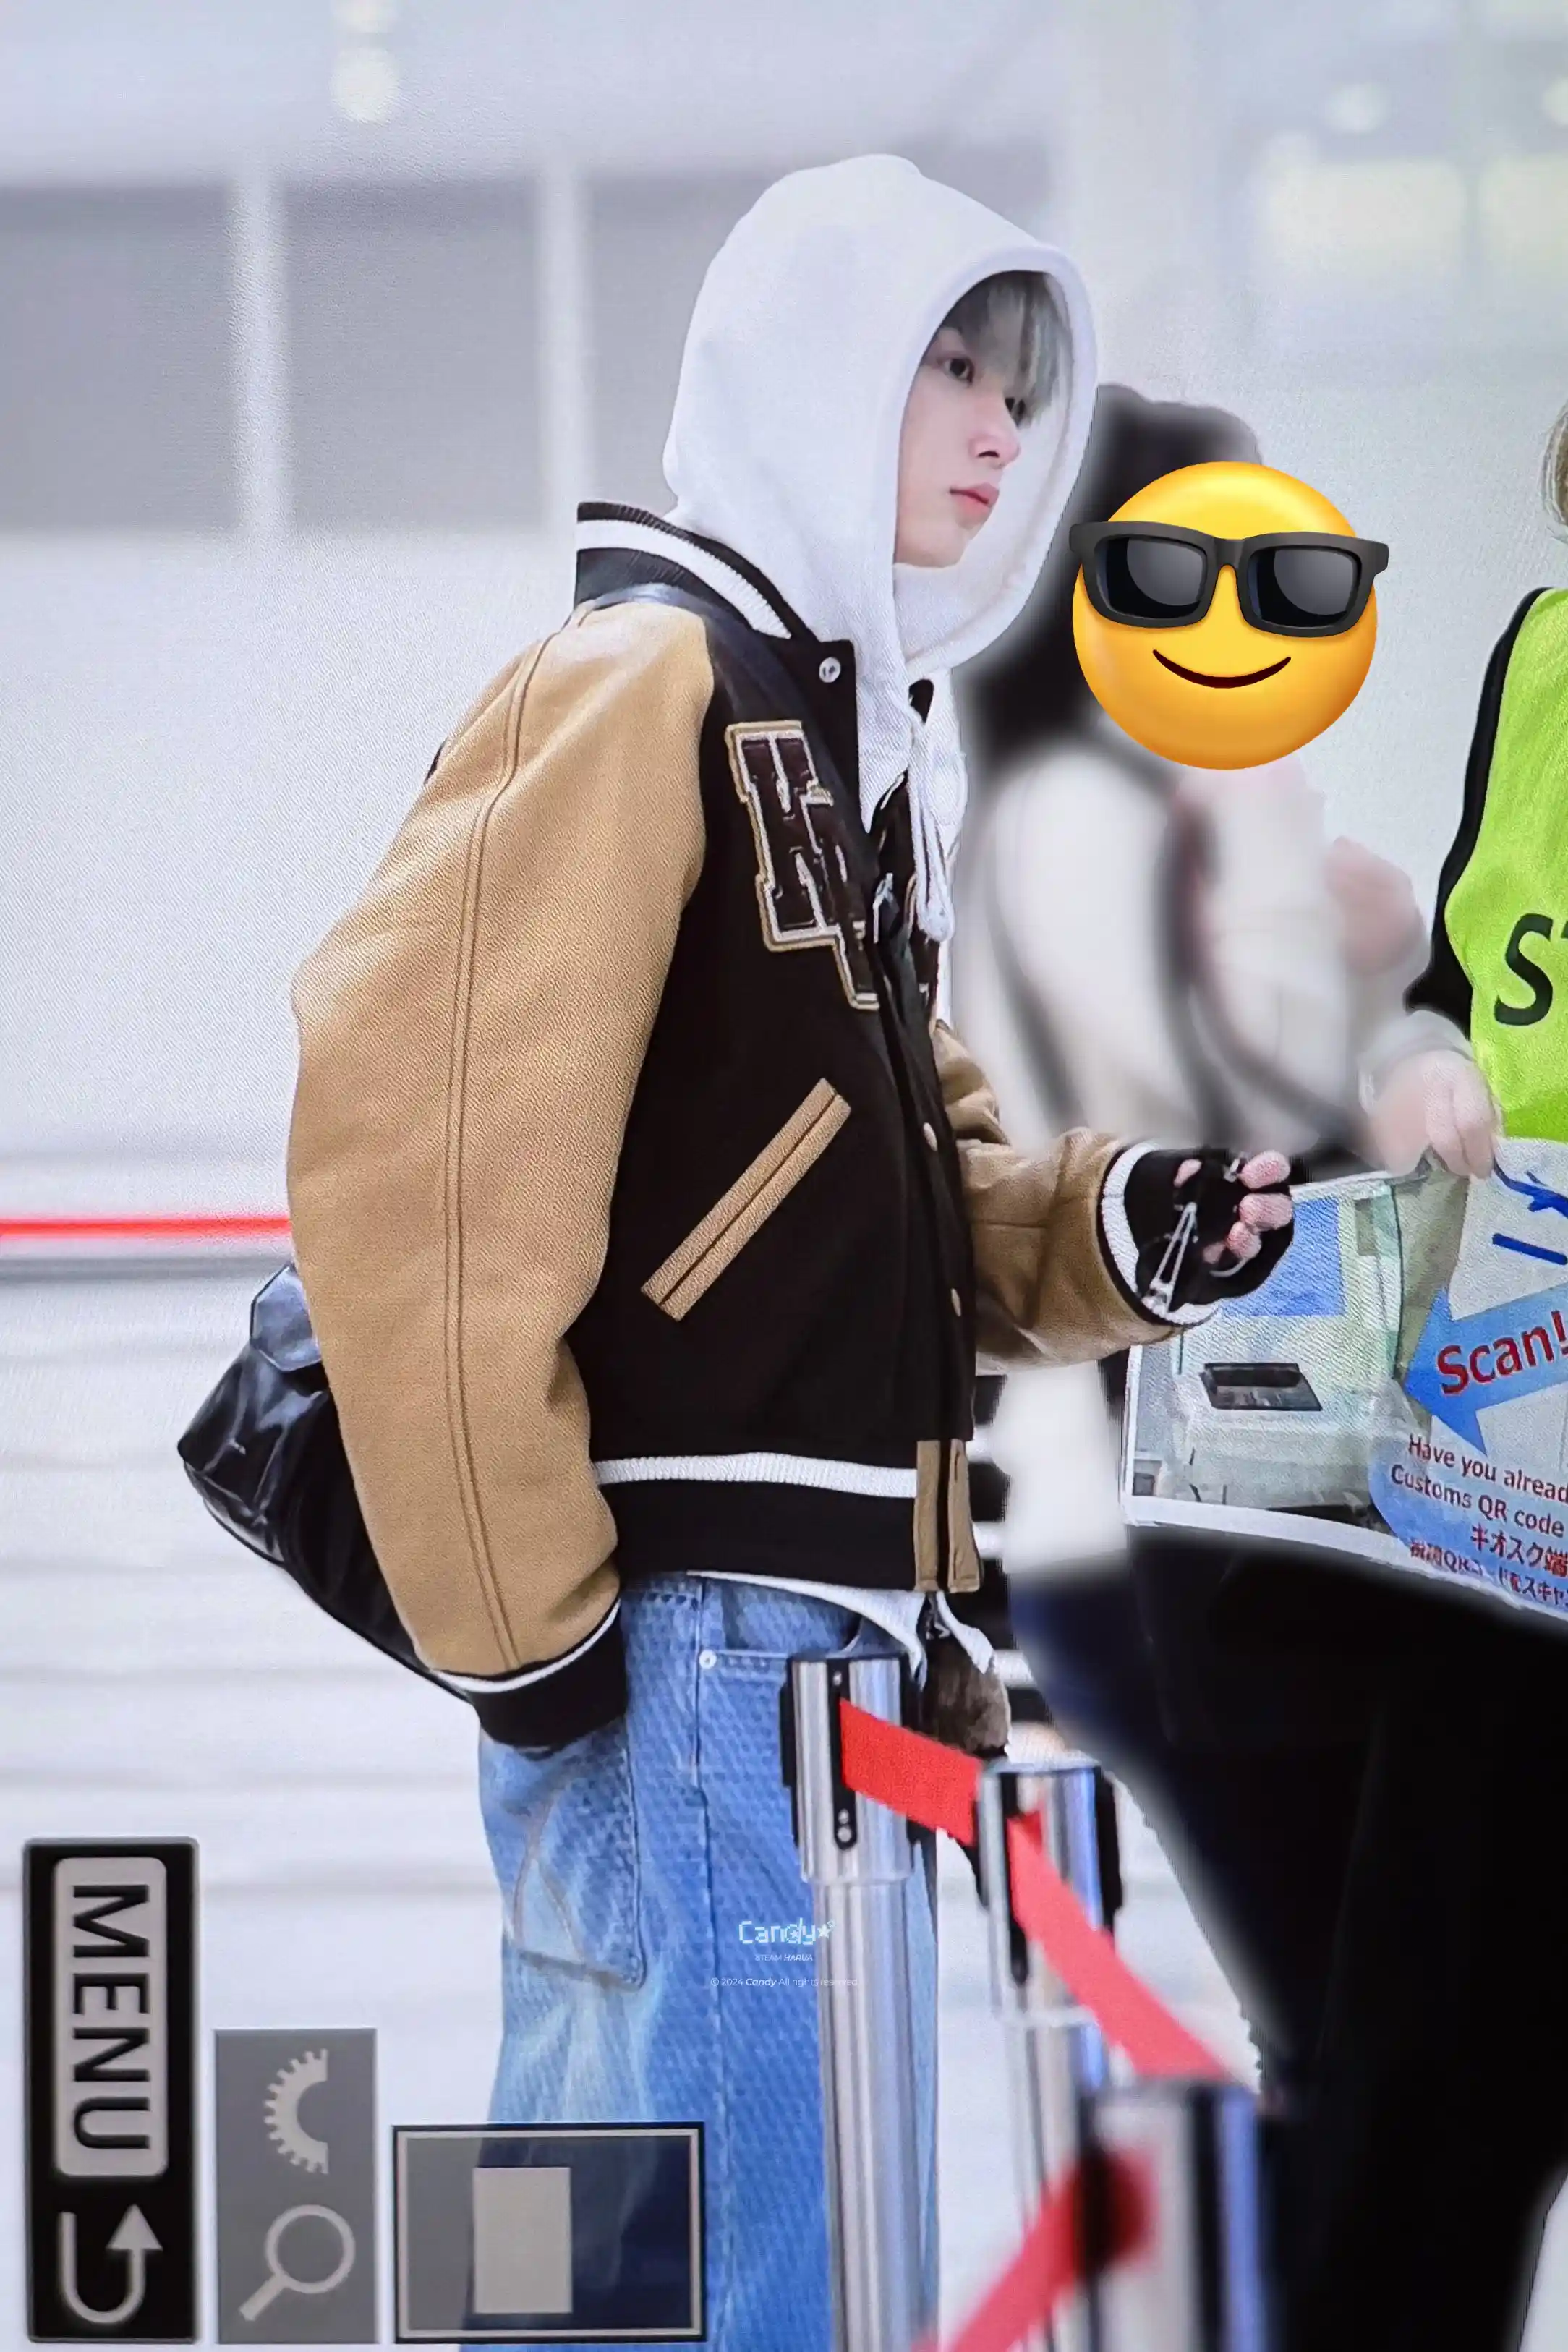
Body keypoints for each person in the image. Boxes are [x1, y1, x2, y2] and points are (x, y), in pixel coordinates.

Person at [282, 159, 1294, 2351]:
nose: (1001, 423)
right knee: (725, 2282)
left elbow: (907, 1182)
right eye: (949, 362)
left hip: (806, 1649)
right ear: (815, 360)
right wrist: (535, 1640)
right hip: (691, 1644)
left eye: (1019, 377)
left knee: (627, 2268)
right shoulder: (640, 681)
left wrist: (1126, 1225)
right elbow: (417, 1161)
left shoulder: (833, 748)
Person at [949, 384, 1444, 2122]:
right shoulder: (1095, 820)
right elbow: (1223, 1123)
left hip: (1174, 1516)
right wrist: (1361, 949)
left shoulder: (1053, 810)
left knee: (1342, 2026)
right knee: (1351, 2037)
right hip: (1179, 1513)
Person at [1283, 403, 1568, 2352]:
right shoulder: (1542, 658)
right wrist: (1419, 1060)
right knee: (1423, 2070)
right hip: (1508, 1469)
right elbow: (1474, 992)